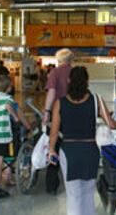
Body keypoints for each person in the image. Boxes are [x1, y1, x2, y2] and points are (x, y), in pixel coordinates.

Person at [48, 66, 116, 215]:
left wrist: (51, 150)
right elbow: (111, 124)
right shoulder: (96, 100)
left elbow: (54, 132)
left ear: (69, 81)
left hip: (68, 151)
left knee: (73, 194)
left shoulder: (60, 103)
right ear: (87, 82)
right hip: (89, 150)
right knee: (88, 192)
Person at [42, 48, 74, 195]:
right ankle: (72, 183)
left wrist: (47, 111)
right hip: (74, 113)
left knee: (53, 146)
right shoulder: (76, 72)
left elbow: (52, 92)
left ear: (59, 59)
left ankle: (52, 185)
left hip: (58, 113)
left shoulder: (55, 72)